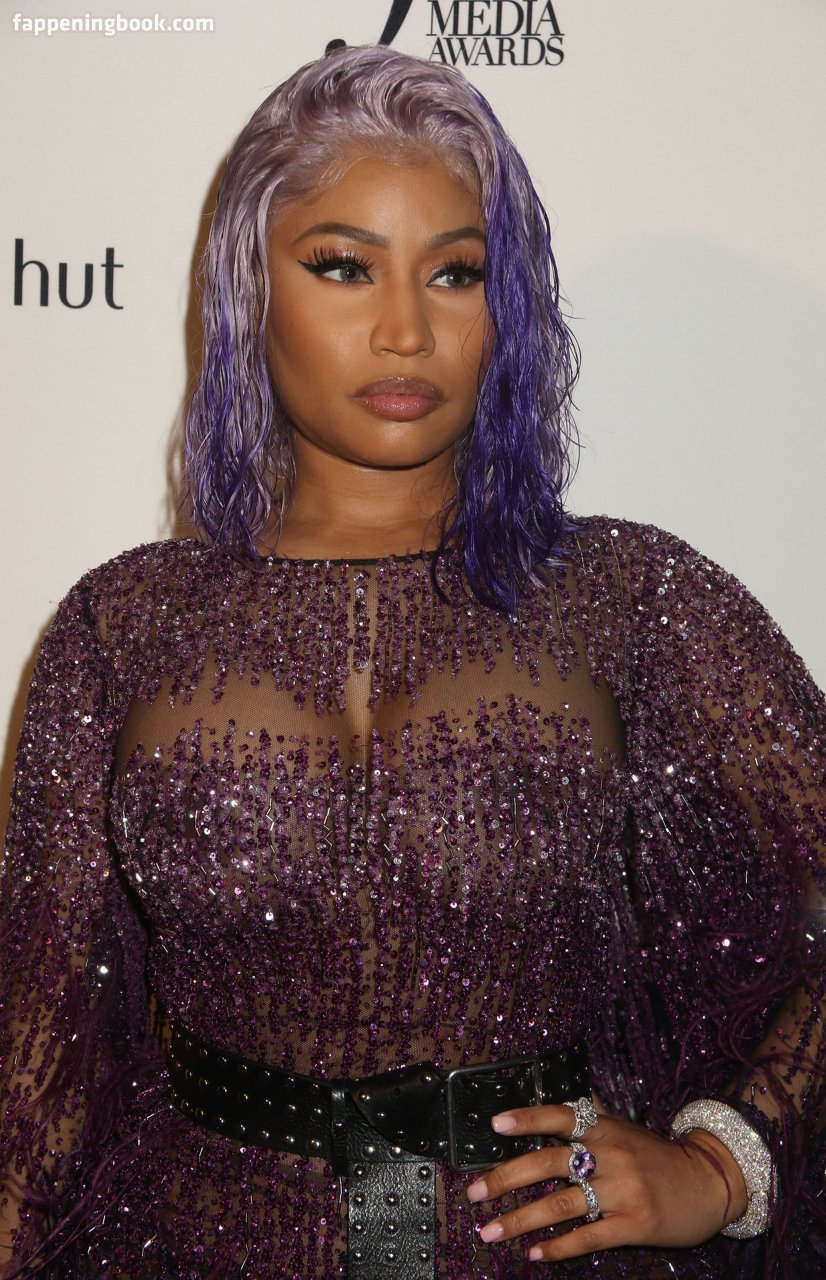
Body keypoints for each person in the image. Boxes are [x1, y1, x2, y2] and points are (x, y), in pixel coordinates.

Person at [0, 43, 822, 1280]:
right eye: (343, 265)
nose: (404, 329)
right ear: (248, 288)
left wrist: (724, 1161)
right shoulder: (120, 627)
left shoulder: (629, 598)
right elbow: (38, 1066)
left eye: (455, 272)